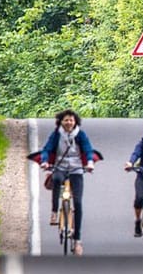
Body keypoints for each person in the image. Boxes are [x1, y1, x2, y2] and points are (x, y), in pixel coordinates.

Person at [31, 110, 100, 256]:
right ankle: (54, 211)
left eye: (71, 120)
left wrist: (89, 162)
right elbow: (47, 149)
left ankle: (77, 241)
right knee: (56, 179)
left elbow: (88, 149)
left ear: (75, 122)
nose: (69, 123)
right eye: (66, 120)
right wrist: (44, 161)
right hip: (60, 167)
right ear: (60, 122)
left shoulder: (80, 135)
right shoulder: (57, 134)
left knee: (79, 204)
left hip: (77, 169)